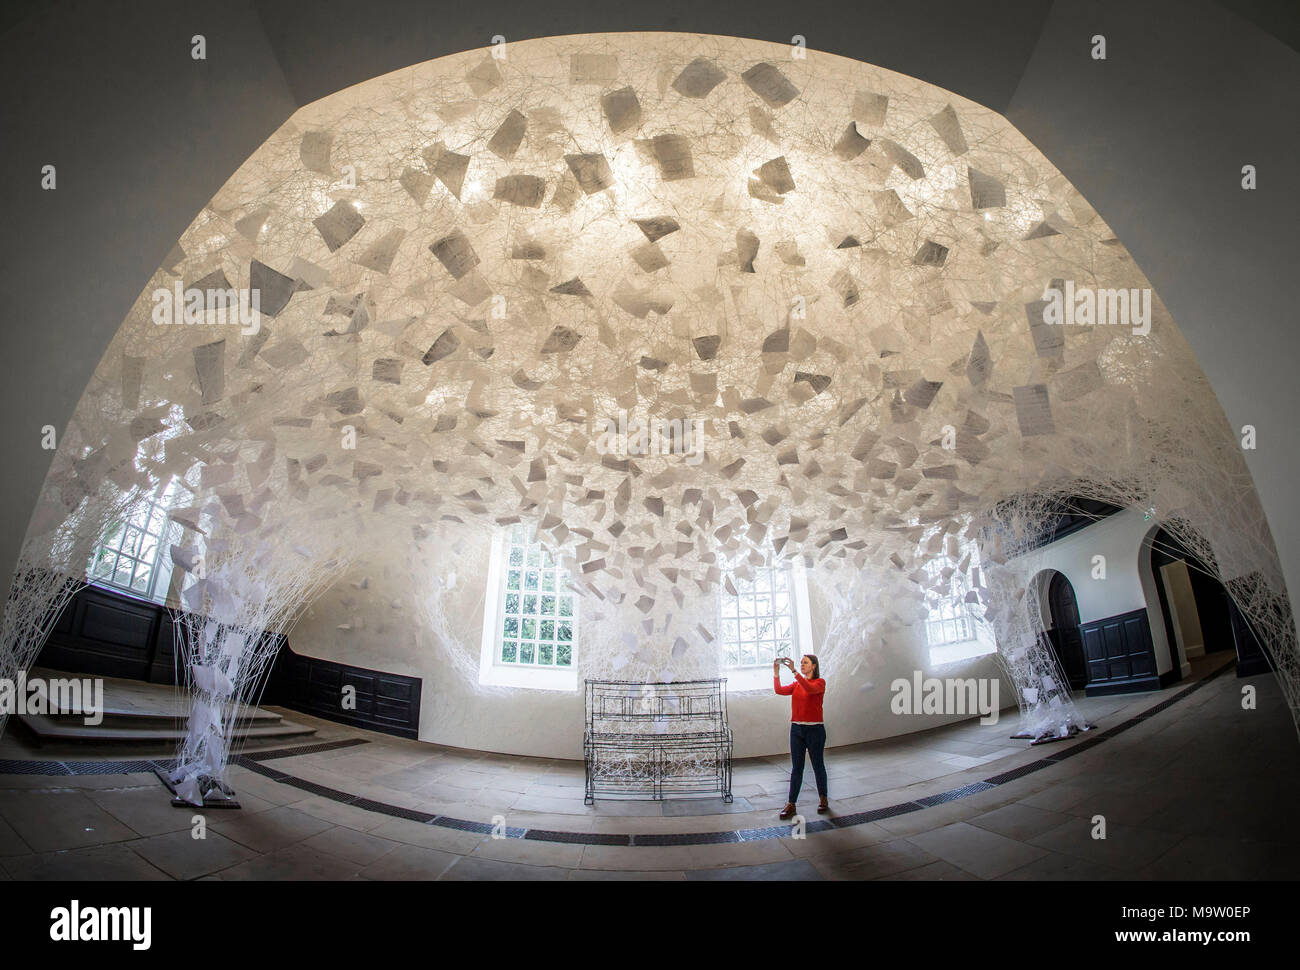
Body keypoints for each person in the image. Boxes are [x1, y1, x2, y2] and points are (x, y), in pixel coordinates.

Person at [773, 654, 828, 819]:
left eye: (806, 663)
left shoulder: (820, 683)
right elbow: (779, 690)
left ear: (814, 666)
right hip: (796, 729)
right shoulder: (797, 684)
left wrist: (794, 671)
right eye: (801, 662)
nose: (802, 665)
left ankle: (823, 798)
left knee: (818, 765)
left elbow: (809, 689)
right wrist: (776, 672)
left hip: (815, 729)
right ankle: (791, 803)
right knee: (797, 767)